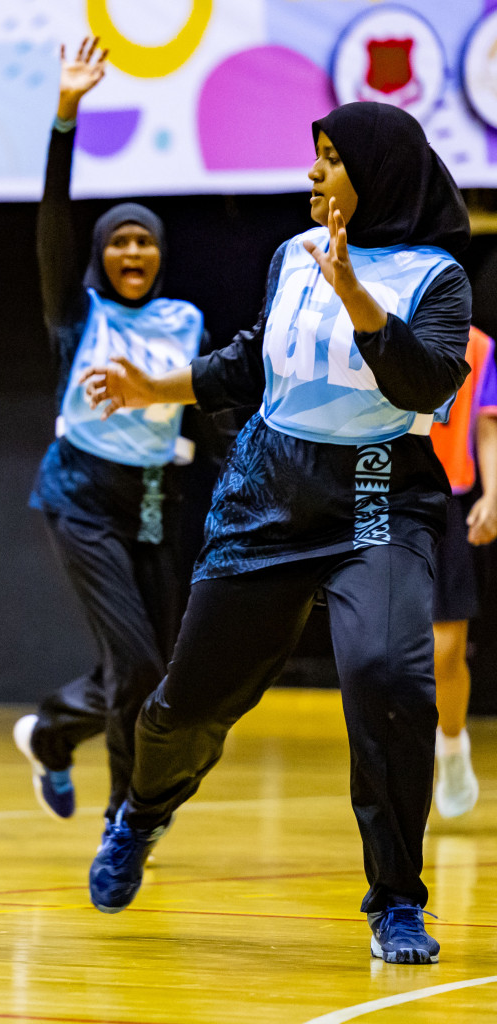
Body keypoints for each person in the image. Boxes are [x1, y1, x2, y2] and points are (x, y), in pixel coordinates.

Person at [79, 102, 471, 965]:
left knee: (387, 675)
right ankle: (139, 814)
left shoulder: (436, 276)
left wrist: (359, 298)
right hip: (270, 491)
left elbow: (423, 383)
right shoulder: (291, 256)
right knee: (186, 703)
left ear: (376, 176)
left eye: (329, 160)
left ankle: (397, 901)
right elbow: (252, 361)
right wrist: (157, 389)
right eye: (314, 158)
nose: (312, 175)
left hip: (376, 491)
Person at [12, 37, 204, 822]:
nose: (134, 249)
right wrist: (66, 114)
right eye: (120, 239)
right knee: (134, 662)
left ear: (159, 254)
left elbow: (214, 397)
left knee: (154, 671)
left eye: (145, 239)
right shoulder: (77, 313)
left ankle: (54, 736)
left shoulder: (185, 319)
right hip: (81, 497)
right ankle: (126, 818)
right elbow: (53, 222)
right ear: (102, 254)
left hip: (155, 503)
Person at [428, 327, 497, 818]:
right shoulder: (371, 323)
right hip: (379, 495)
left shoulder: (479, 345)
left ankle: (451, 744)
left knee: (447, 648)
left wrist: (492, 496)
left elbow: (487, 426)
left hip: (449, 499)